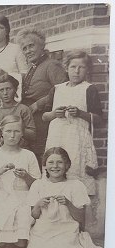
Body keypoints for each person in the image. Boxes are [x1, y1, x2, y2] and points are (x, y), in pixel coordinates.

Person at [17, 148, 103, 248]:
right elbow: (34, 216)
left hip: (66, 230)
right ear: (45, 165)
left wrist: (68, 203)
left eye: (60, 162)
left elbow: (80, 218)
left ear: (67, 165)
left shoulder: (75, 185)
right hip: (42, 230)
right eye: (51, 162)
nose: (55, 166)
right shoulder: (38, 185)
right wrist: (39, 204)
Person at [0, 115, 41, 248]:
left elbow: (38, 187)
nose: (12, 135)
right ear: (2, 132)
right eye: (8, 131)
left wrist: (27, 177)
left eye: (16, 131)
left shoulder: (28, 155)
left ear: (22, 133)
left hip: (23, 196)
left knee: (23, 215)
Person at [42, 51, 102, 195]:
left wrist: (80, 113)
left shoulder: (89, 89)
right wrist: (54, 114)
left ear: (87, 70)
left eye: (81, 67)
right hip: (57, 137)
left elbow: (99, 119)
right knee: (55, 166)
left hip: (77, 138)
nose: (76, 71)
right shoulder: (56, 89)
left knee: (75, 168)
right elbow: (44, 116)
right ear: (66, 68)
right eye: (73, 67)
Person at [17, 27, 67, 166]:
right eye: (25, 48)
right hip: (31, 121)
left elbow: (63, 90)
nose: (28, 51)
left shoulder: (51, 65)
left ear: (42, 45)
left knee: (42, 155)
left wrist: (38, 104)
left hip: (44, 120)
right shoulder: (32, 68)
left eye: (31, 46)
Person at [0, 74, 36, 147]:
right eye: (1, 90)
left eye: (8, 89)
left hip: (21, 149)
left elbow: (33, 135)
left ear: (15, 89)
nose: (5, 93)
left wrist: (17, 127)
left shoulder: (23, 109)